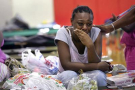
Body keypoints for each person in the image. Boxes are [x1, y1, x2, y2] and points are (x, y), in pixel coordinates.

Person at [54, 6, 112, 88]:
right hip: (68, 72)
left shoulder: (96, 32)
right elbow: (66, 65)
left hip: (88, 72)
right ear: (71, 22)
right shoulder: (63, 33)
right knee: (70, 75)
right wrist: (98, 66)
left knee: (99, 76)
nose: (85, 28)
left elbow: (96, 61)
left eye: (89, 24)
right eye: (80, 24)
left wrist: (90, 45)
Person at [95, 5, 135, 70]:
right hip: (129, 48)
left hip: (133, 48)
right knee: (131, 71)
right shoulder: (132, 8)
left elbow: (129, 29)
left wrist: (114, 23)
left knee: (132, 73)